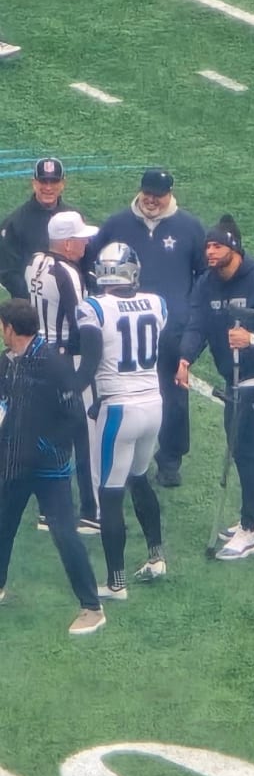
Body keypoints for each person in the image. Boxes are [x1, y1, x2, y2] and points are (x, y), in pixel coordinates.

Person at [176, 215, 254, 561]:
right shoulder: (206, 284)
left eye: (217, 246)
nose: (210, 253)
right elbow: (197, 324)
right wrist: (186, 359)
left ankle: (252, 527)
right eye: (208, 247)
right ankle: (253, 520)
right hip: (233, 381)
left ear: (234, 248)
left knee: (250, 451)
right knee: (237, 449)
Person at [91, 168, 206, 488]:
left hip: (173, 330)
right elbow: (94, 266)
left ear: (170, 193)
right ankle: (125, 459)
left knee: (174, 395)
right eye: (147, 192)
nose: (151, 200)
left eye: (158, 194)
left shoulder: (190, 228)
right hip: (125, 330)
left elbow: (204, 278)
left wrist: (190, 316)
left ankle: (170, 459)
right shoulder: (117, 224)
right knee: (125, 393)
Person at [0, 299, 105, 635]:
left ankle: (92, 607)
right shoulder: (8, 362)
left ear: (11, 329)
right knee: (3, 526)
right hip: (14, 464)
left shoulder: (52, 365)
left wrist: (44, 447)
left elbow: (74, 417)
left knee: (64, 535)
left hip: (48, 470)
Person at [75, 243, 168, 599]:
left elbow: (91, 357)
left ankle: (116, 583)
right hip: (152, 403)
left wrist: (72, 391)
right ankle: (156, 557)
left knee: (110, 495)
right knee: (140, 478)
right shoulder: (157, 303)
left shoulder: (94, 307)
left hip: (118, 407)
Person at [25, 210, 100, 533]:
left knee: (47, 432)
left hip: (37, 353)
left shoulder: (34, 263)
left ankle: (47, 509)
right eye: (81, 239)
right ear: (67, 243)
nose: (86, 244)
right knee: (84, 433)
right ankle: (90, 509)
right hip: (63, 358)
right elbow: (80, 319)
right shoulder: (67, 271)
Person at [0, 159, 73, 297]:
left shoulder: (73, 218)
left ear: (63, 184)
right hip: (29, 309)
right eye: (43, 181)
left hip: (68, 302)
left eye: (54, 181)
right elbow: (7, 272)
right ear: (34, 183)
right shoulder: (14, 222)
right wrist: (34, 298)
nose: (48, 187)